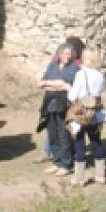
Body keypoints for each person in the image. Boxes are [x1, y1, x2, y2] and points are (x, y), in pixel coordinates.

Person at [38, 42, 80, 178]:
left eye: (69, 54)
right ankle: (57, 161)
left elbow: (67, 82)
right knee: (52, 134)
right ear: (59, 54)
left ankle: (66, 164)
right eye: (65, 54)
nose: (67, 56)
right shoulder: (53, 65)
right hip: (49, 104)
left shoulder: (74, 67)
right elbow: (42, 82)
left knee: (64, 135)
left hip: (64, 105)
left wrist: (50, 84)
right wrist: (56, 85)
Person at [67, 48, 106, 186]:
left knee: (79, 143)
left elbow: (72, 96)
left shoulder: (80, 74)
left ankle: (79, 178)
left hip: (81, 113)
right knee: (96, 141)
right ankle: (100, 175)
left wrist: (69, 92)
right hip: (96, 113)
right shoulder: (100, 75)